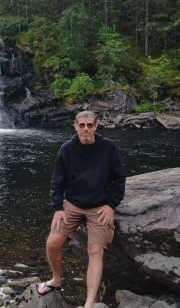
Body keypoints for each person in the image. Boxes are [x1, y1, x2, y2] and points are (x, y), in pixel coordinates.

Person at [37, 110, 126, 308]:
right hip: (73, 204)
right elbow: (56, 182)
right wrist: (58, 208)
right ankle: (56, 279)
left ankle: (89, 304)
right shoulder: (66, 149)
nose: (86, 129)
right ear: (75, 126)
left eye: (90, 125)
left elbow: (119, 180)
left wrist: (111, 205)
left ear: (96, 126)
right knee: (52, 243)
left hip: (100, 206)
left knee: (94, 250)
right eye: (82, 125)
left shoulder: (108, 148)